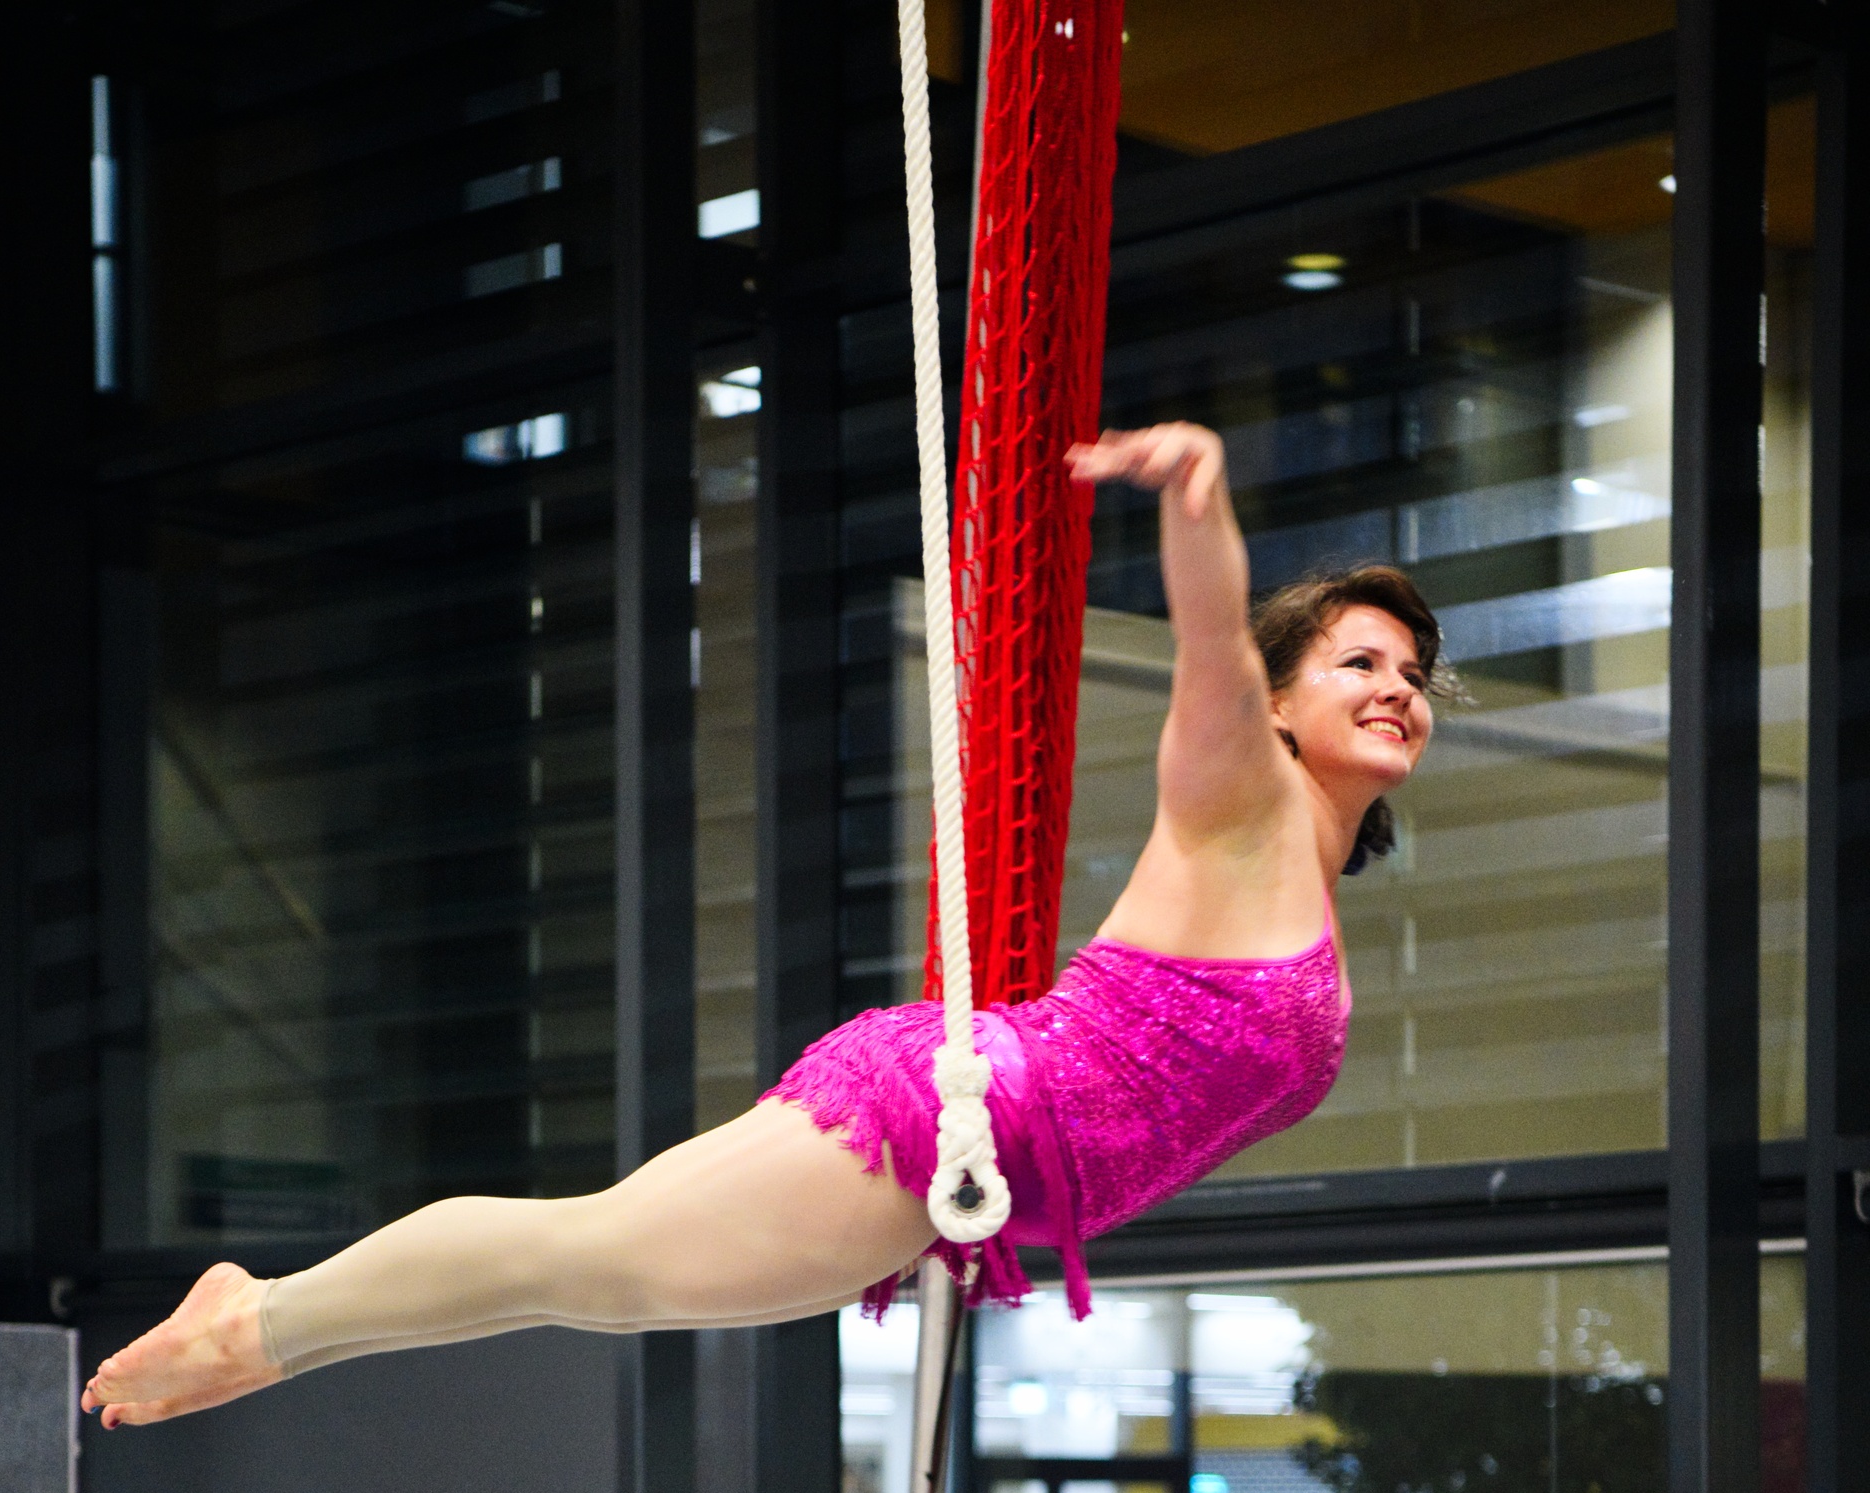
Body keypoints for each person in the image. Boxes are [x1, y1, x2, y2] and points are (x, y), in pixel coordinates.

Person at [82, 423, 1452, 1430]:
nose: (1398, 688)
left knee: (600, 1275)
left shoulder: (1308, 884)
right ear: (1283, 703)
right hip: (944, 1121)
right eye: (1360, 662)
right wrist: (1200, 508)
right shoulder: (1241, 799)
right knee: (592, 1258)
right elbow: (1212, 647)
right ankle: (260, 1321)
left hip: (952, 1169)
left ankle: (270, 1331)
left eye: (1414, 673)